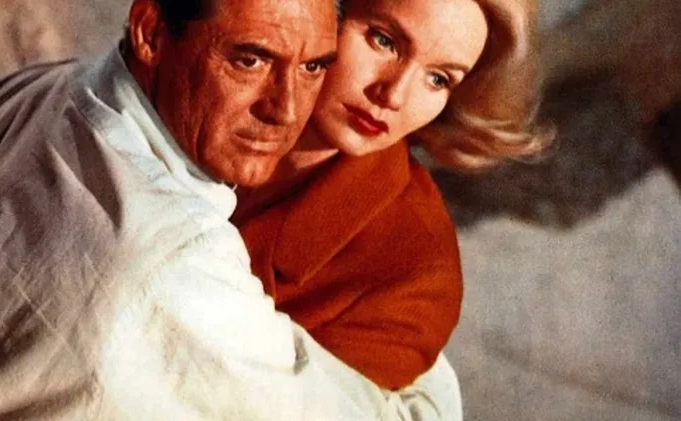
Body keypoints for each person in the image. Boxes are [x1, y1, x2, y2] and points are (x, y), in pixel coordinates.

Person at [0, 0, 458, 420]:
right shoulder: (178, 263)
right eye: (250, 60)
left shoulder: (49, 85)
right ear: (151, 32)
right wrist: (432, 391)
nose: (285, 109)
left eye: (313, 66)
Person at [234, 0, 552, 395]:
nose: (394, 95)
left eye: (438, 79)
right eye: (384, 41)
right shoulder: (198, 82)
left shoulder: (417, 280)